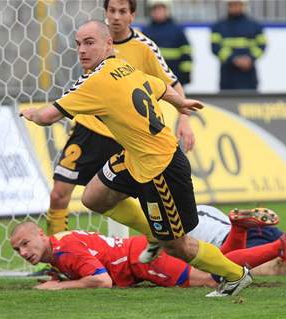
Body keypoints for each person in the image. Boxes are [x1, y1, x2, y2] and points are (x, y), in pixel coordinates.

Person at [20, 20, 252, 297]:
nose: (82, 50)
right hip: (134, 157)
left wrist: (31, 113)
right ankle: (152, 233)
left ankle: (236, 275)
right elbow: (157, 86)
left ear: (109, 44)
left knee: (178, 246)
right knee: (93, 197)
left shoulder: (95, 83)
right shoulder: (124, 68)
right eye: (78, 44)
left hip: (160, 167)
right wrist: (181, 103)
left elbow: (47, 117)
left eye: (89, 42)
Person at [45, 0, 194, 238]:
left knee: (122, 198)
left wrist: (184, 120)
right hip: (89, 128)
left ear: (132, 15)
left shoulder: (145, 47)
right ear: (105, 13)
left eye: (122, 11)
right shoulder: (94, 39)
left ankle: (153, 239)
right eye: (111, 11)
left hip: (125, 135)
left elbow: (171, 84)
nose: (116, 17)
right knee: (58, 194)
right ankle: (54, 255)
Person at [10, 220, 286, 290]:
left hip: (143, 261)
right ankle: (240, 230)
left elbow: (101, 281)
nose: (23, 252)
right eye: (17, 249)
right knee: (216, 263)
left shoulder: (64, 250)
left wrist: (58, 286)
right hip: (141, 250)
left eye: (25, 243)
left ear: (40, 234)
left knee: (215, 278)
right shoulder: (59, 248)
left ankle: (277, 248)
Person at [188, 187, 286, 275]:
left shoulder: (170, 229)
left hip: (236, 245)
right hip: (260, 230)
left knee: (279, 266)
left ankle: (284, 245)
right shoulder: (203, 209)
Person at [210, 0, 266, 90]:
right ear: (228, 6)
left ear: (243, 6)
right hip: (227, 75)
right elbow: (215, 47)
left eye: (238, 4)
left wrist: (250, 58)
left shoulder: (255, 26)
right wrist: (234, 59)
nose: (235, 7)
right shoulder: (218, 27)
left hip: (249, 75)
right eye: (232, 4)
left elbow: (261, 46)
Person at [142, 0, 192, 85]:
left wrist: (186, 74)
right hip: (153, 79)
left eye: (160, 8)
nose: (158, 11)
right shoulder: (146, 31)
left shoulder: (177, 30)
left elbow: (186, 53)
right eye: (155, 9)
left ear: (167, 10)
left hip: (175, 77)